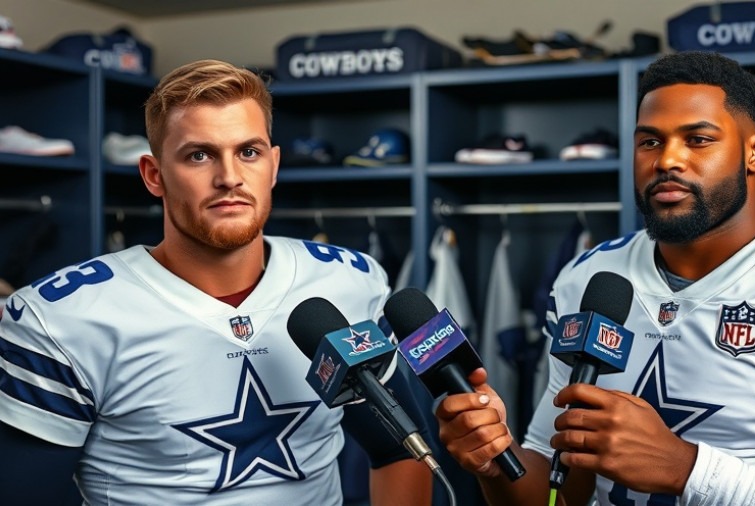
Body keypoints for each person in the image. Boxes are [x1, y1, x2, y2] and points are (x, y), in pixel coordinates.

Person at [434, 50, 755, 505]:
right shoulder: (588, 276)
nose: (667, 161)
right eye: (650, 141)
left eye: (698, 139)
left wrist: (691, 471)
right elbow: (560, 494)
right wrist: (498, 460)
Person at [0, 59, 433, 505]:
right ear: (154, 175)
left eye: (249, 152)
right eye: (199, 155)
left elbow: (399, 450)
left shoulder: (349, 281)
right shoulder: (61, 318)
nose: (229, 177)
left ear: (274, 164)